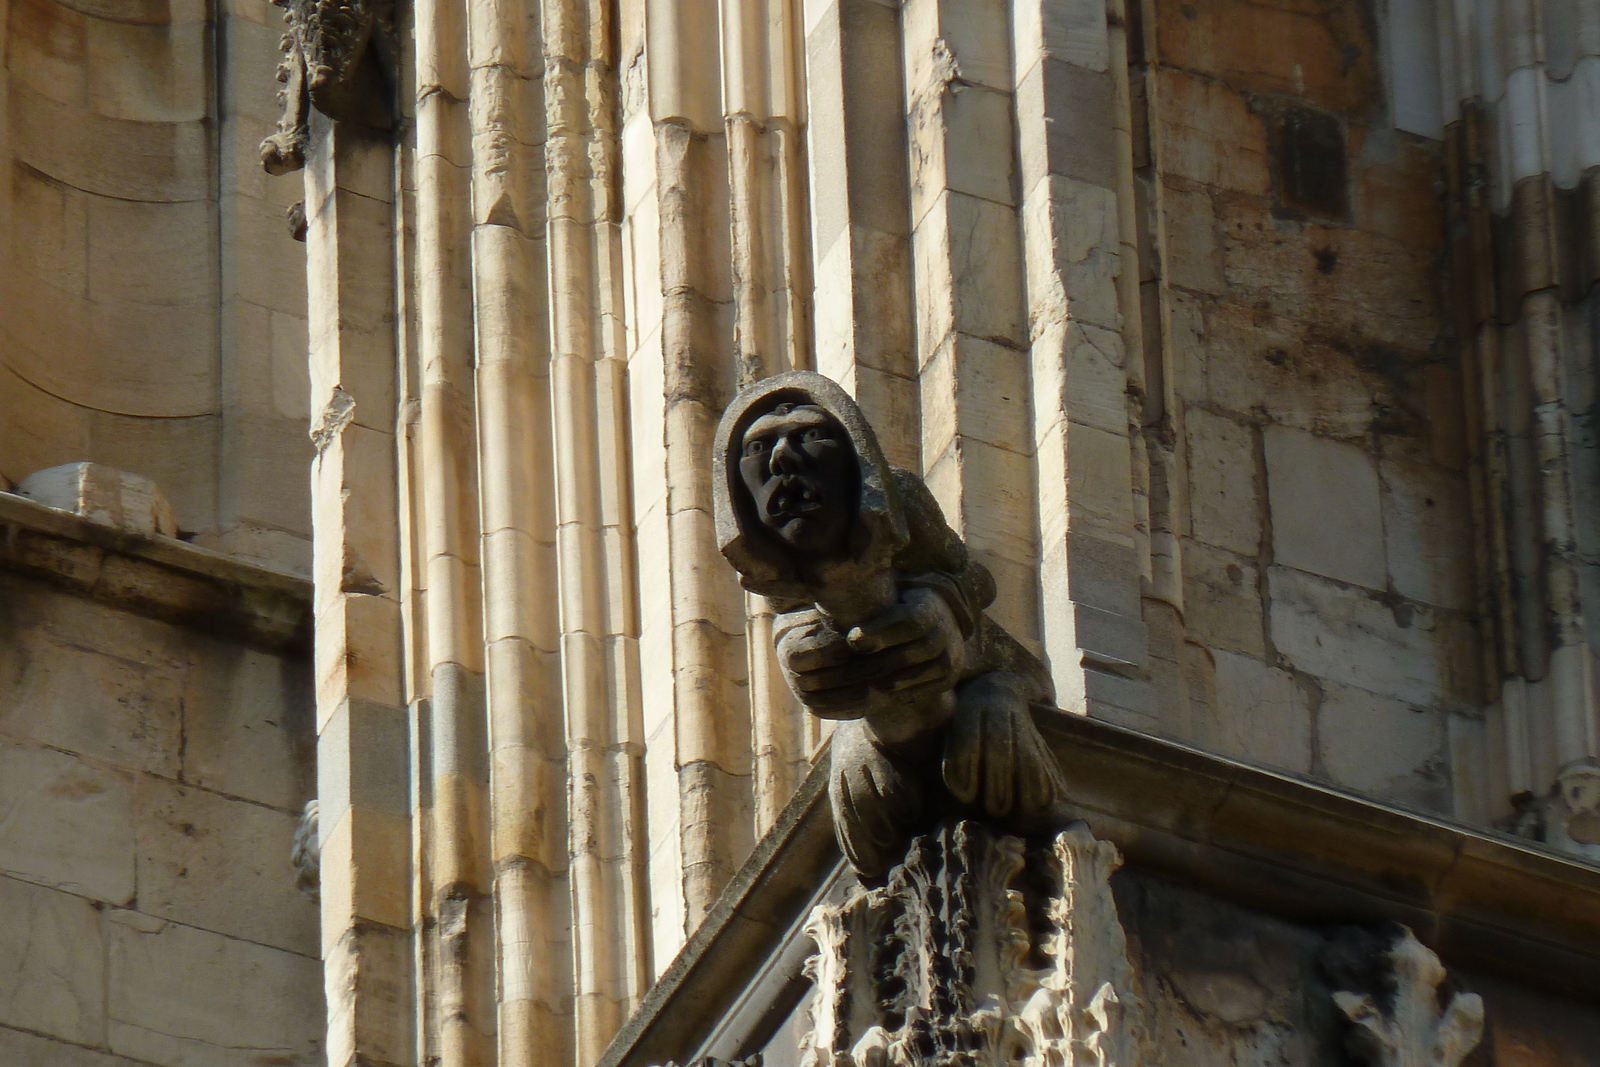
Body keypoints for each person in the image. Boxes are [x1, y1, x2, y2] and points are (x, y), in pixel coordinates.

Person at [714, 372, 1066, 879]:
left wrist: (942, 603)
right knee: (865, 770)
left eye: (810, 436)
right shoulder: (784, 570)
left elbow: (976, 579)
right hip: (895, 725)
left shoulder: (901, 501)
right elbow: (796, 619)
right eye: (759, 447)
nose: (782, 460)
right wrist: (793, 644)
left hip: (984, 670)